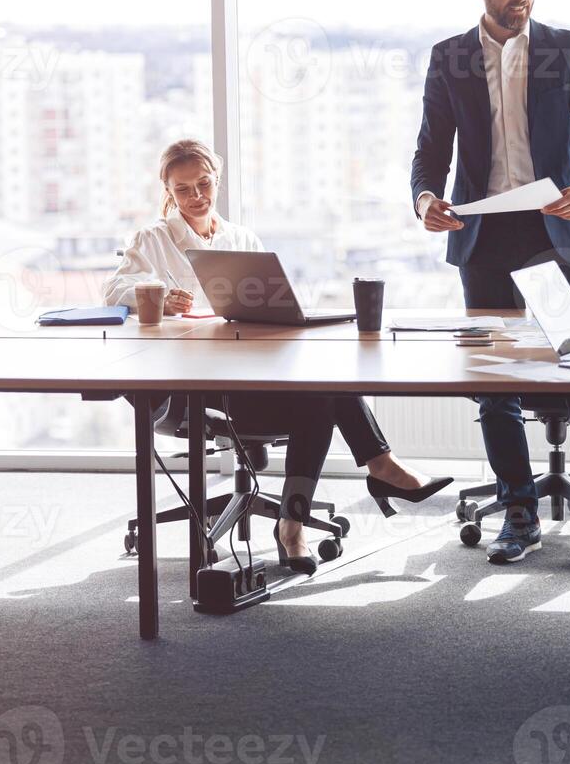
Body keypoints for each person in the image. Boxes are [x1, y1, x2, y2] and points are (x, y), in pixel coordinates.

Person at [105, 140, 452, 574]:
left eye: (204, 184)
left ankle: (294, 521)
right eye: (183, 189)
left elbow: (267, 305)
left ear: (217, 179)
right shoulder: (153, 239)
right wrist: (154, 298)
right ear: (168, 192)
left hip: (249, 375)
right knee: (324, 398)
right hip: (190, 388)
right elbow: (112, 292)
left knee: (324, 392)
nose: (196, 197)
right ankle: (370, 472)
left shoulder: (241, 238)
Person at [410, 0, 570, 570]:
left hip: (555, 238)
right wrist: (426, 199)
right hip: (482, 238)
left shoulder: (566, 50)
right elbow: (429, 150)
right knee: (495, 387)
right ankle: (517, 512)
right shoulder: (451, 57)